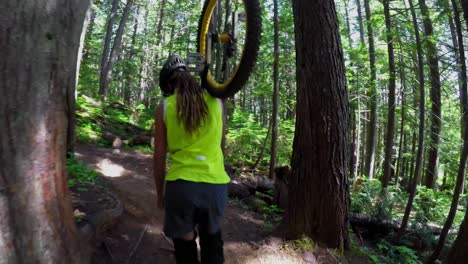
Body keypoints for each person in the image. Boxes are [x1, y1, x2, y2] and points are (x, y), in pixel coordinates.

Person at [153, 54, 230, 264]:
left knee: (185, 248)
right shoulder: (217, 102)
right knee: (212, 243)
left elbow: (159, 158)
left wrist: (160, 194)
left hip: (181, 188)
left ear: (169, 84)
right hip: (215, 186)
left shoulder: (165, 107)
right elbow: (221, 141)